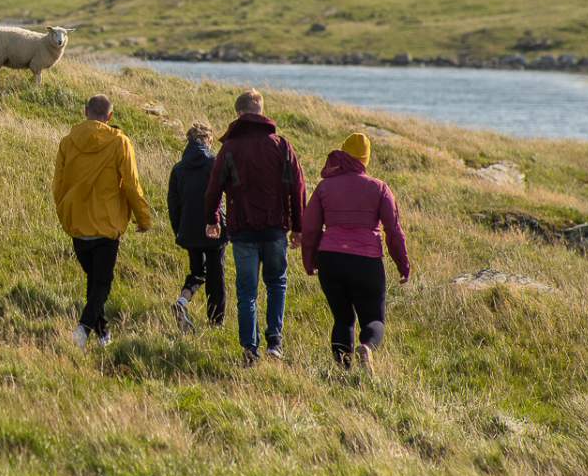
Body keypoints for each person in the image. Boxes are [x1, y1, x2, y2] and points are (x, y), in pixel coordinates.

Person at [203, 89, 305, 366]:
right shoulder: (281, 145)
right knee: (276, 284)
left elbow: (213, 188)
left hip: (243, 229)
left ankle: (250, 349)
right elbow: (297, 187)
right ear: (261, 111)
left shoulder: (230, 148)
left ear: (239, 114)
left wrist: (212, 219)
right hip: (275, 230)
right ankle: (275, 343)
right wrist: (298, 226)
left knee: (247, 292)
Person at [53, 94, 155, 347]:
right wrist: (143, 219)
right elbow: (132, 184)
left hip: (77, 222)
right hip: (108, 225)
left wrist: (64, 211)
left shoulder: (67, 142)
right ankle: (83, 329)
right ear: (110, 116)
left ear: (85, 111)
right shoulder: (119, 142)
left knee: (95, 282)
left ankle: (103, 334)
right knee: (102, 283)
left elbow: (58, 184)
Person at [302, 132, 409, 372]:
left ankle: (343, 369)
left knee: (342, 318)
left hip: (331, 260)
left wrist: (310, 261)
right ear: (365, 159)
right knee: (374, 319)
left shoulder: (324, 186)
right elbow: (393, 231)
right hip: (367, 263)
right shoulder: (379, 188)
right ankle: (368, 347)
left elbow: (310, 228)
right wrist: (403, 265)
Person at [167, 122, 226, 332]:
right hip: (214, 228)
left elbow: (173, 205)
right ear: (207, 140)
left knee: (197, 272)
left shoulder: (178, 169)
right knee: (216, 276)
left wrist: (179, 231)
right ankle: (216, 323)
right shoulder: (214, 163)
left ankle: (183, 301)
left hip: (189, 229)